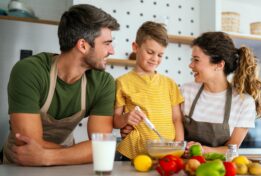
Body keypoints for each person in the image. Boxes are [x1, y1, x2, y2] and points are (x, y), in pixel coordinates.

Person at [1, 4, 120, 166]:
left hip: (64, 168)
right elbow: (27, 144)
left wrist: (47, 157)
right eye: (107, 43)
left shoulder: (103, 82)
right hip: (18, 166)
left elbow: (102, 147)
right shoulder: (30, 71)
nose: (112, 51)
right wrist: (79, 153)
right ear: (83, 45)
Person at [182, 31, 261, 155]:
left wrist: (203, 150)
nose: (191, 65)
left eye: (196, 60)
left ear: (219, 65)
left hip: (222, 171)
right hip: (185, 169)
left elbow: (232, 149)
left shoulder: (244, 102)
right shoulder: (186, 91)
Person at [114, 21, 184, 160]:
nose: (155, 59)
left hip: (167, 154)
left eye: (160, 55)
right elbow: (115, 121)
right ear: (135, 47)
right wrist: (126, 118)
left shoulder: (170, 84)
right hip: (134, 155)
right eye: (150, 52)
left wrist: (178, 148)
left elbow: (176, 119)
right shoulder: (122, 82)